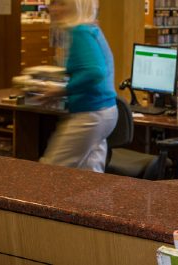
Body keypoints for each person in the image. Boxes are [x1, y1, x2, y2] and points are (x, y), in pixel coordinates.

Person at [38, 0, 117, 172]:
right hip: (106, 111)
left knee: (51, 170)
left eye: (62, 4)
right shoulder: (91, 29)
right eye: (52, 3)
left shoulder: (80, 32)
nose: (54, 9)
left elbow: (95, 71)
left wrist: (62, 90)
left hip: (90, 113)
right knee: (90, 173)